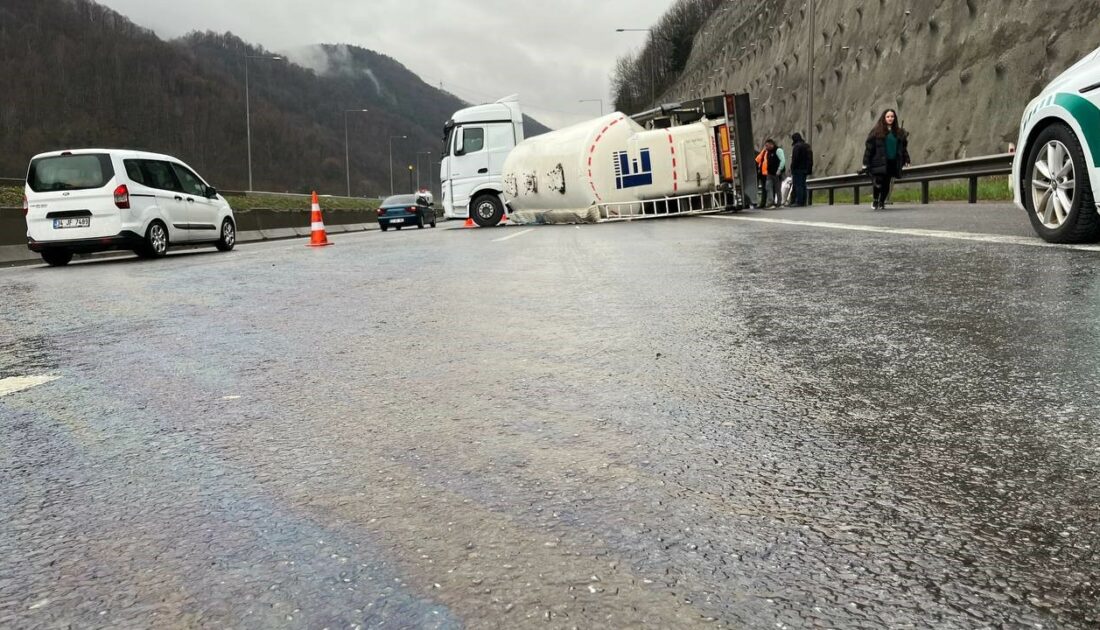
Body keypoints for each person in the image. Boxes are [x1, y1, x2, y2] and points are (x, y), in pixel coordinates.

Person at [862, 109, 911, 210]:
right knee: (878, 181)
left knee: (886, 182)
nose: (890, 118)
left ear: (895, 118)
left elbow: (902, 148)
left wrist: (907, 159)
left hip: (892, 161)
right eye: (888, 116)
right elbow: (869, 148)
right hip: (878, 161)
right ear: (884, 118)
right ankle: (875, 200)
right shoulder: (876, 131)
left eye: (892, 116)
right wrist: (865, 163)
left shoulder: (898, 132)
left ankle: (881, 202)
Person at [754, 139, 781, 208]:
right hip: (763, 173)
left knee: (772, 188)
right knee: (765, 188)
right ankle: (765, 203)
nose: (766, 147)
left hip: (770, 173)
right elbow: (757, 160)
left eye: (767, 145)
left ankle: (773, 202)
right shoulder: (764, 152)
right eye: (765, 146)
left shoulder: (775, 151)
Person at [789, 132, 813, 207]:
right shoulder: (807, 146)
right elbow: (810, 158)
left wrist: (792, 167)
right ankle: (803, 201)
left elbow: (795, 159)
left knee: (798, 185)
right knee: (803, 185)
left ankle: (798, 201)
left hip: (798, 169)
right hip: (805, 169)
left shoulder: (797, 146)